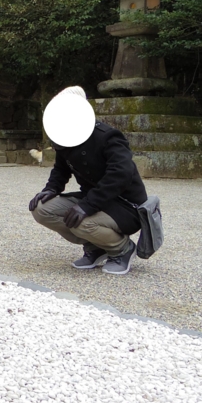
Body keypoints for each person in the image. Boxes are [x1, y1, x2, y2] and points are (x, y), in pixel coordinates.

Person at [29, 86, 148, 275]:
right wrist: (51, 189)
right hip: (92, 200)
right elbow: (61, 169)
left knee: (81, 221)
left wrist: (87, 206)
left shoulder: (108, 136)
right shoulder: (65, 137)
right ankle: (96, 246)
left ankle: (122, 249)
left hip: (125, 206)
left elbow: (121, 174)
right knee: (41, 210)